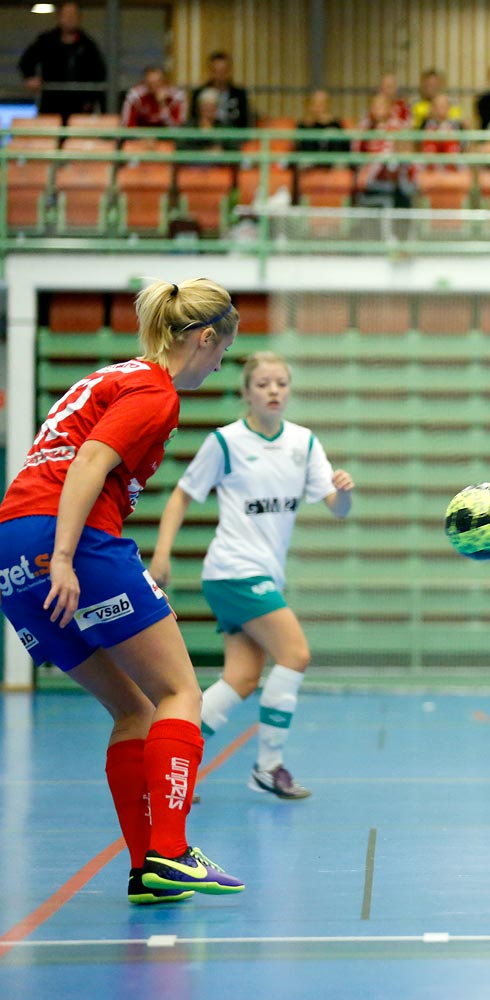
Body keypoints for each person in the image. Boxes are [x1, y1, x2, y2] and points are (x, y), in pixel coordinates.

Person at [0, 278, 245, 903]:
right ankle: (171, 850)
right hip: (66, 539)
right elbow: (87, 464)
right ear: (206, 336)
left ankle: (146, 869)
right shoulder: (155, 392)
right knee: (179, 689)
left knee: (134, 706)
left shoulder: (117, 375)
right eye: (222, 350)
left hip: (9, 546)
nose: (221, 364)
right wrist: (62, 555)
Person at [149, 352, 355, 799]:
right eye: (263, 384)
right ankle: (269, 766)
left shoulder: (303, 443)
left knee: (241, 678)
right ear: (246, 392)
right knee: (295, 654)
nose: (274, 391)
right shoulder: (225, 443)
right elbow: (181, 497)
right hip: (233, 571)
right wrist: (161, 556)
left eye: (281, 382)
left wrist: (342, 494)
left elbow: (337, 510)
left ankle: (166, 763)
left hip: (263, 575)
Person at [18, 1, 106, 120]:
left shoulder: (88, 46)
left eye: (73, 15)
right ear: (59, 17)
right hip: (51, 104)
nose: (70, 19)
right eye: (66, 15)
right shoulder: (46, 41)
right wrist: (30, 76)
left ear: (79, 18)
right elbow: (26, 61)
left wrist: (91, 100)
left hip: (80, 109)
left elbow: (100, 75)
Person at [191, 51, 252, 130]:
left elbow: (245, 124)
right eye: (216, 71)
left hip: (232, 138)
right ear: (209, 71)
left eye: (223, 71)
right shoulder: (199, 93)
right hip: (205, 138)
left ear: (229, 71)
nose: (219, 75)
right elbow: (193, 121)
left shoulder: (240, 94)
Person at [295, 89, 349, 166]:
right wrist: (310, 125)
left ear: (327, 105)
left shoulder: (335, 124)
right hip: (309, 162)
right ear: (309, 105)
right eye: (315, 103)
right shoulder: (302, 125)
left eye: (322, 103)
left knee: (341, 163)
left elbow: (345, 147)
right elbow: (297, 148)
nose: (318, 107)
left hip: (332, 162)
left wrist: (330, 126)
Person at [121, 66, 187, 129]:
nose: (154, 87)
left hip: (166, 137)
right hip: (140, 137)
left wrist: (162, 104)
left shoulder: (177, 97)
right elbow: (127, 126)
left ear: (165, 82)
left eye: (157, 83)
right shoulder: (135, 96)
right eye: (150, 83)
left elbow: (177, 129)